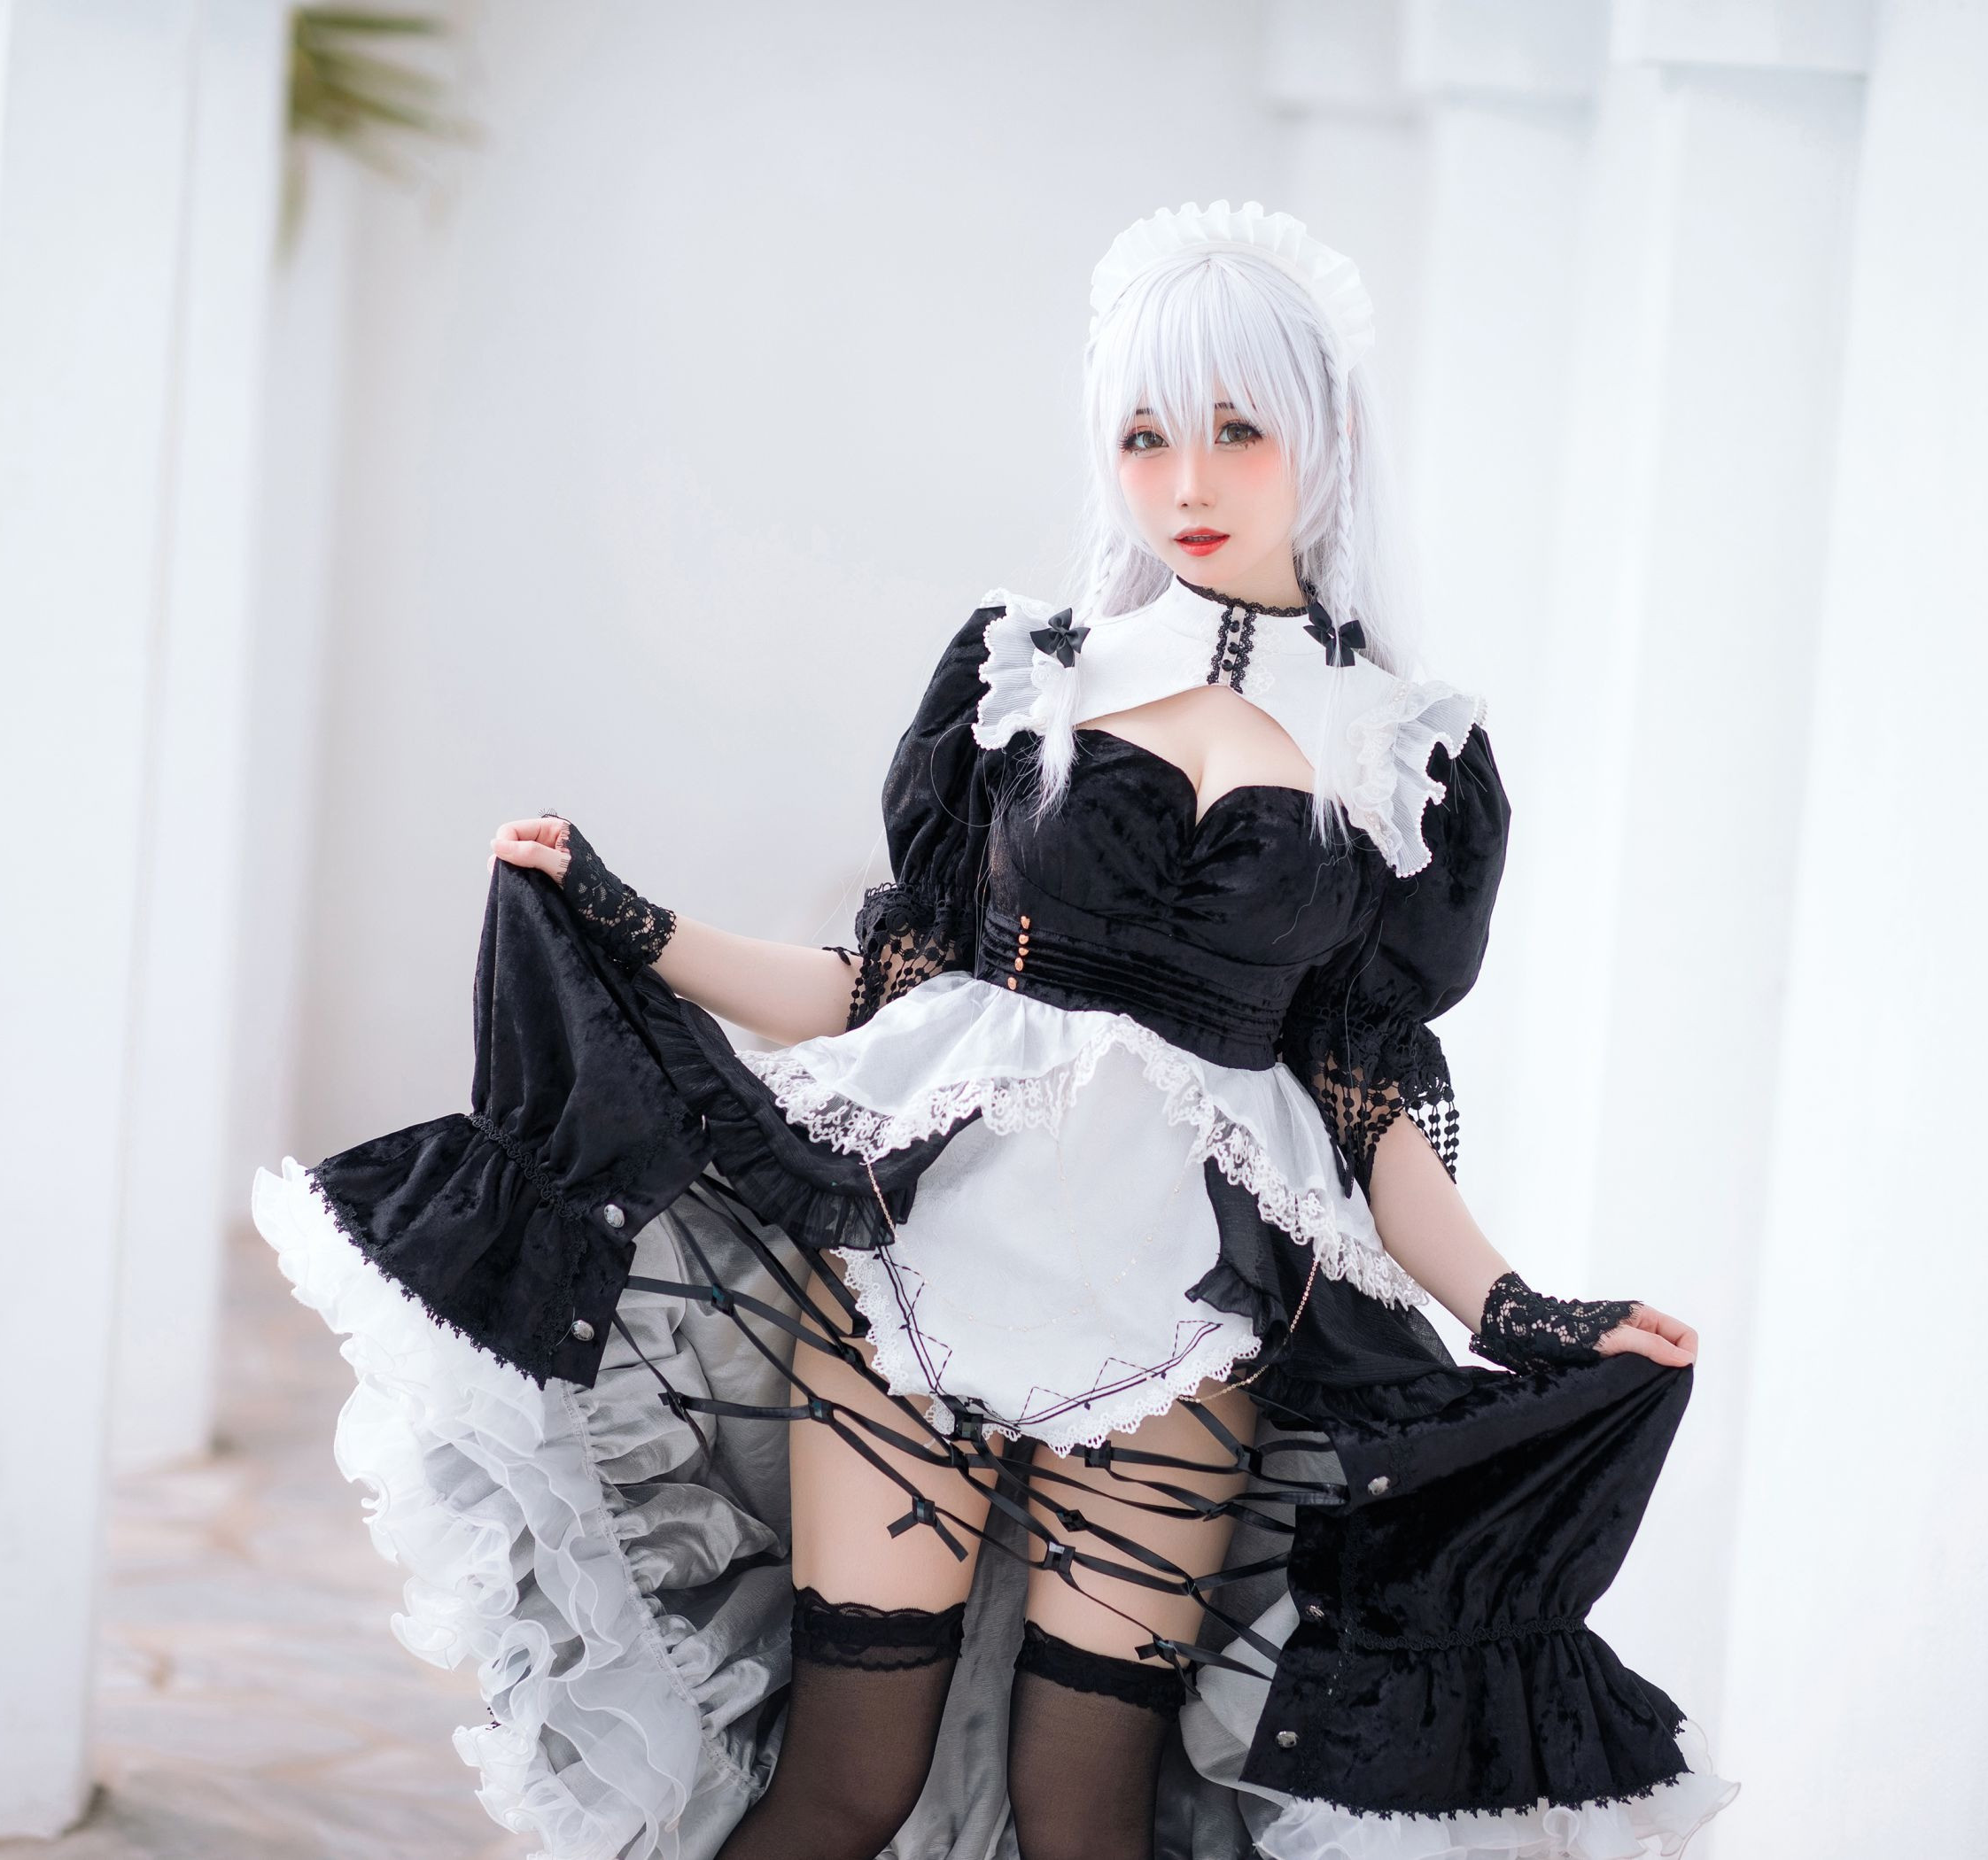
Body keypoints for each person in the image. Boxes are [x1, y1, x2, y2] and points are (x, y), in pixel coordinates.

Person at [255, 200, 1735, 1860]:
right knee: (842, 1786)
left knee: (1084, 1817)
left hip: (1172, 1346)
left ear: (1324, 438)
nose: (1185, 483)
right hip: (911, 1285)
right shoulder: (1022, 674)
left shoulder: (1408, 760)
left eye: (1238, 431)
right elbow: (887, 987)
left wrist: (1524, 1309)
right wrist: (630, 919)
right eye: (1144, 435)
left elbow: (1364, 1103)